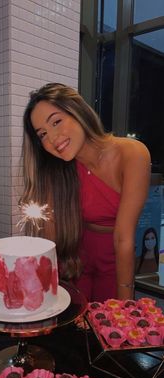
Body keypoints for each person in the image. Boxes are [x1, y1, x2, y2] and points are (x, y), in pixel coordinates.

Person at [20, 83, 151, 302]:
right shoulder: (58, 169)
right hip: (74, 258)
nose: (52, 138)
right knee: (71, 324)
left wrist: (127, 304)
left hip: (116, 257)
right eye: (42, 134)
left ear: (77, 111)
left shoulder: (132, 153)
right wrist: (38, 292)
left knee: (110, 328)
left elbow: (124, 237)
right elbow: (50, 235)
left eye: (57, 121)